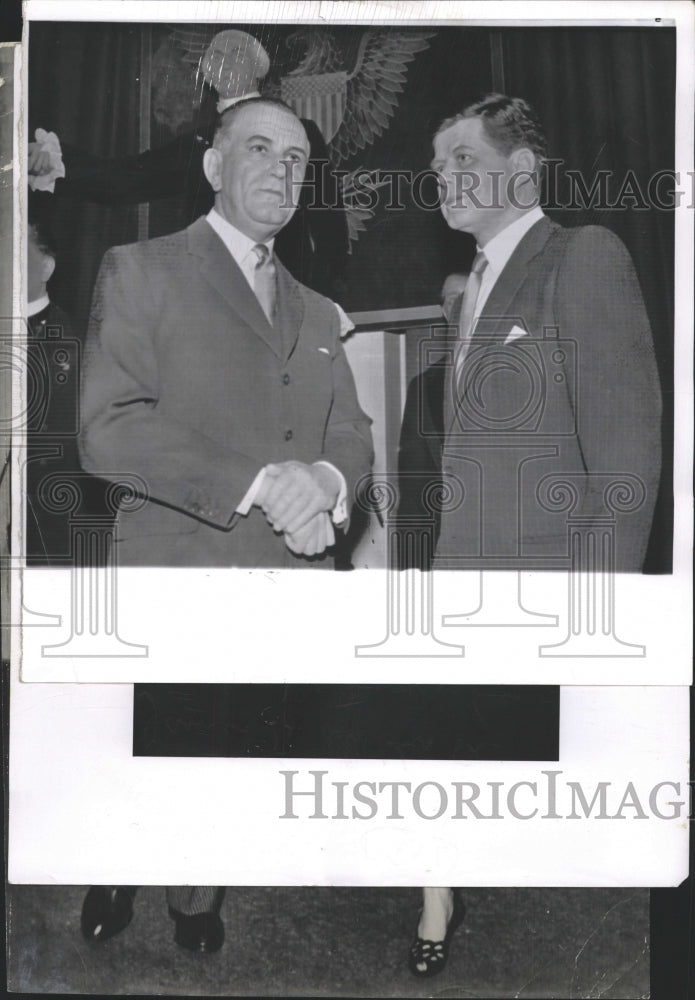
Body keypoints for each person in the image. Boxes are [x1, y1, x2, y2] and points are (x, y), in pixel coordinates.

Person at [77, 96, 372, 953]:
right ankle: (117, 868)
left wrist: (321, 478)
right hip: (178, 569)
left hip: (285, 584)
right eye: (260, 149)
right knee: (157, 744)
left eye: (297, 159)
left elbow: (348, 435)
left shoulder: (318, 311)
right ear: (212, 165)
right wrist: (258, 483)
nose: (283, 170)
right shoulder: (140, 269)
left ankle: (195, 898)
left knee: (241, 749)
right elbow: (108, 429)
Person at [406, 93, 663, 978]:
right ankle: (436, 897)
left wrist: (590, 622)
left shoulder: (581, 257)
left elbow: (626, 458)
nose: (442, 178)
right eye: (436, 165)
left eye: (462, 159)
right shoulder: (471, 283)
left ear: (521, 170)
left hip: (542, 592)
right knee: (439, 750)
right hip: (460, 581)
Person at [28, 30, 349, 298]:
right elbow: (122, 179)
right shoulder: (197, 143)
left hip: (284, 299)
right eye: (215, 53)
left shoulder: (300, 133)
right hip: (213, 299)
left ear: (257, 69)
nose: (221, 56)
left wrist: (321, 301)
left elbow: (329, 222)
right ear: (208, 73)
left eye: (235, 51)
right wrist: (54, 159)